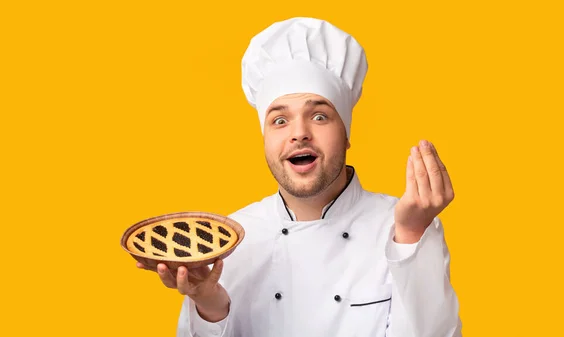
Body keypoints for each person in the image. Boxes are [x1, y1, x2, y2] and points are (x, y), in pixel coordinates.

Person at [137, 17, 462, 336]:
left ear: (347, 133)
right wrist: (209, 306)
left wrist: (410, 235)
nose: (299, 134)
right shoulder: (231, 240)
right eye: (279, 121)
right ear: (264, 139)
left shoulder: (403, 228)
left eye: (319, 116)